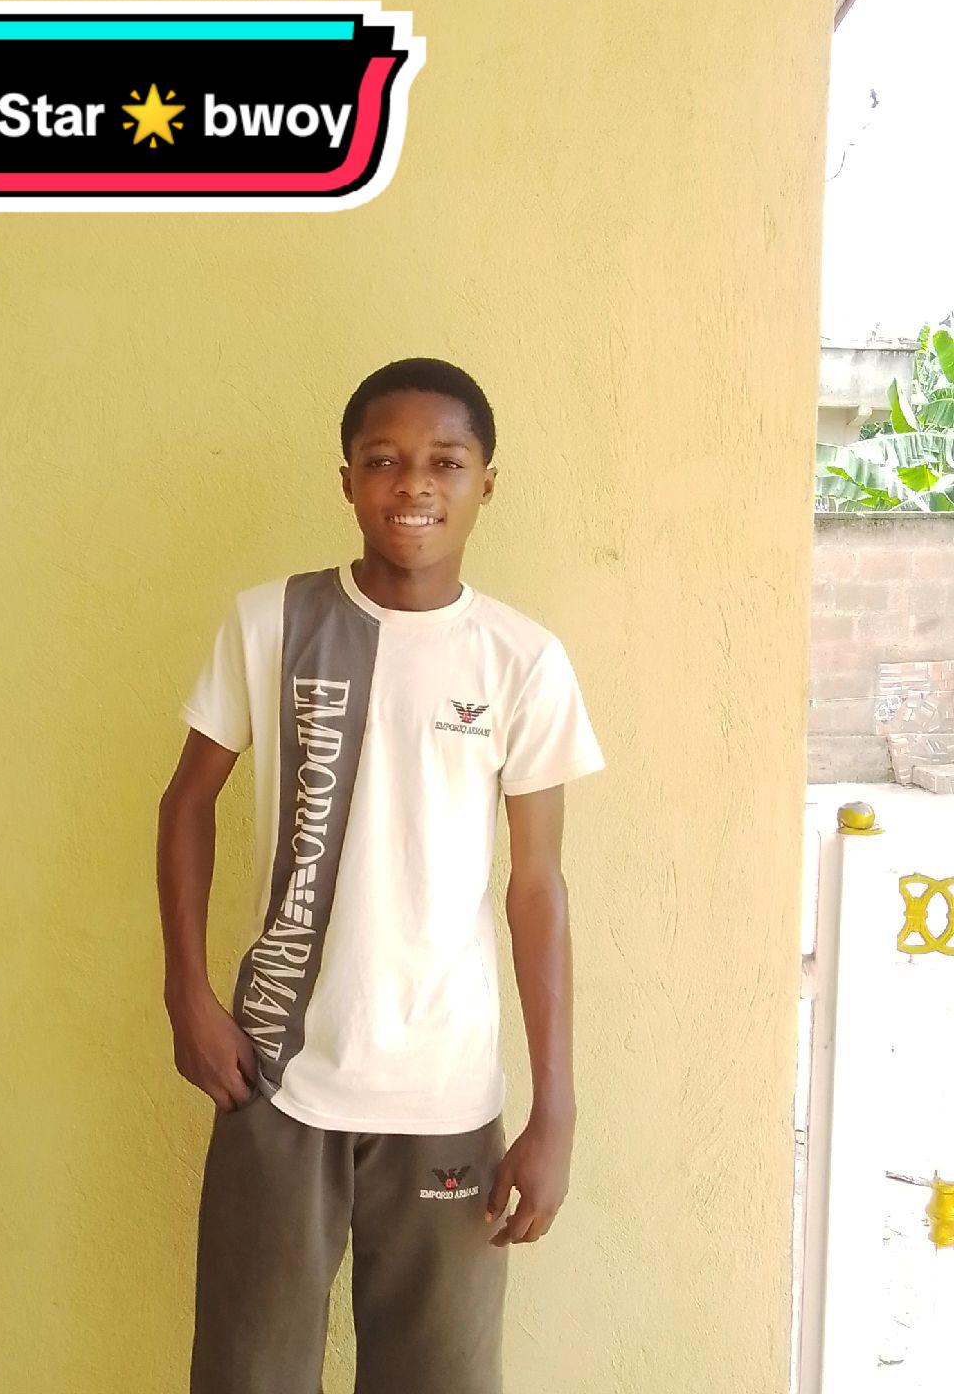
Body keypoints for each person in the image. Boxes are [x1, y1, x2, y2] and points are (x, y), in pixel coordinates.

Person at [156, 356, 607, 1394]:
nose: (414, 485)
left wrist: (557, 1109)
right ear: (348, 481)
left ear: (485, 482)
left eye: (445, 462)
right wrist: (187, 995)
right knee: (247, 1375)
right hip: (277, 1080)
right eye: (384, 460)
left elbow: (537, 887)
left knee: (438, 1378)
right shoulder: (269, 622)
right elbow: (185, 803)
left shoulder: (521, 661)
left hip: (445, 1094)